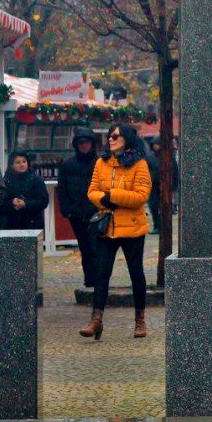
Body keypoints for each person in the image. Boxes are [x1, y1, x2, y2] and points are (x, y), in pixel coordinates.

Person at [80, 122, 152, 342]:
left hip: (132, 227)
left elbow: (141, 196)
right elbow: (92, 191)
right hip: (107, 226)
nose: (111, 139)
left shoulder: (139, 164)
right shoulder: (101, 163)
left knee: (136, 274)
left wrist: (113, 195)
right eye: (110, 136)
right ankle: (96, 320)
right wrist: (104, 199)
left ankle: (140, 319)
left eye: (116, 136)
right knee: (101, 275)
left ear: (127, 139)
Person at [57, 127, 99, 287]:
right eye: (81, 143)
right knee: (85, 247)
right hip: (77, 213)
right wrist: (67, 210)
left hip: (96, 212)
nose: (84, 146)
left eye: (87, 143)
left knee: (96, 247)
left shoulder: (99, 163)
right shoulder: (68, 165)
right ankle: (90, 280)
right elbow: (62, 189)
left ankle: (97, 280)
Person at [0, 151, 49, 231]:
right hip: (10, 224)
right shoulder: (5, 181)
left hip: (32, 223)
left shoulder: (36, 180)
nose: (22, 164)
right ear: (11, 165)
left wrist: (25, 204)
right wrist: (12, 203)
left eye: (24, 161)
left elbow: (44, 201)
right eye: (18, 162)